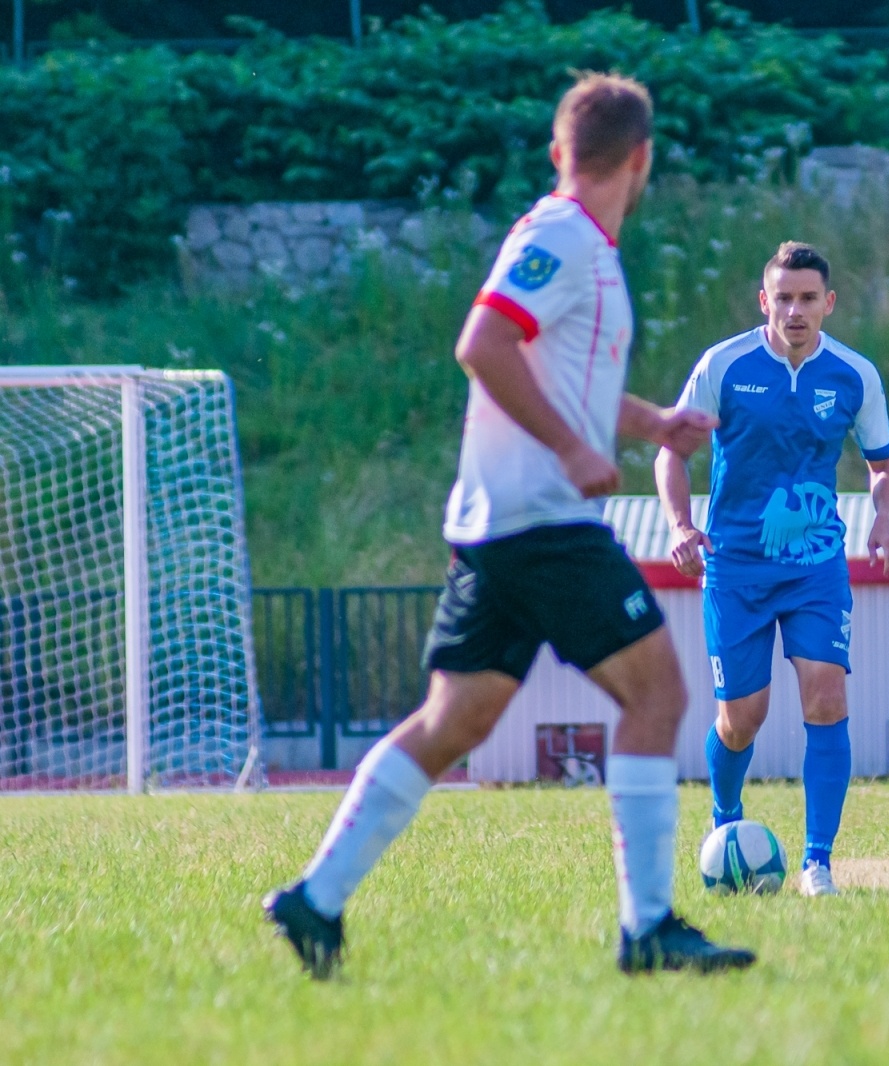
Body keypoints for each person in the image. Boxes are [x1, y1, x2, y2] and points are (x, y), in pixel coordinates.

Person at [263, 72, 755, 978]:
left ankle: (315, 898)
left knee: (454, 720)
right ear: (641, 160)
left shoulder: (582, 249)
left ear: (559, 150)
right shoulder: (563, 240)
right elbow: (482, 342)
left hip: (502, 528)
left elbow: (555, 373)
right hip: (544, 521)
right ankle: (648, 927)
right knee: (660, 699)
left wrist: (649, 425)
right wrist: (573, 451)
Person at [654, 241, 889, 898]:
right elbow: (670, 453)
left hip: (815, 566)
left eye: (807, 298)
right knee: (743, 717)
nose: (795, 310)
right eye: (783, 298)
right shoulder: (726, 367)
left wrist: (885, 519)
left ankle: (817, 862)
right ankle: (725, 823)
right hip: (736, 567)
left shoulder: (854, 376)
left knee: (826, 696)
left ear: (829, 303)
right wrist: (681, 526)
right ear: (764, 301)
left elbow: (884, 467)